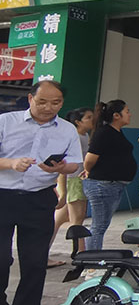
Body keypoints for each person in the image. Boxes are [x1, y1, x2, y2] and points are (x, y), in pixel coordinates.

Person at [0, 80, 82, 305]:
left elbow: (76, 165)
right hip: (3, 196)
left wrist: (60, 168)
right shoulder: (6, 122)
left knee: (34, 264)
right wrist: (11, 163)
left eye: (56, 103)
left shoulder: (67, 129)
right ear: (30, 99)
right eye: (42, 102)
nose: (49, 107)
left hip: (38, 200)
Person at [82, 100, 137, 251]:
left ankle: (93, 255)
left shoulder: (117, 132)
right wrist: (88, 170)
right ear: (116, 115)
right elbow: (90, 159)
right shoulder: (104, 133)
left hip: (113, 185)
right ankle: (92, 259)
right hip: (102, 185)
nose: (130, 114)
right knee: (98, 226)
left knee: (102, 224)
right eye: (127, 111)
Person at [48, 107, 94, 265]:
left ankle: (43, 253)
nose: (92, 120)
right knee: (77, 220)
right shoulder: (75, 137)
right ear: (78, 122)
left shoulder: (84, 135)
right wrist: (63, 191)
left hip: (75, 180)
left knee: (58, 220)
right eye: (88, 117)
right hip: (73, 180)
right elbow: (63, 166)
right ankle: (81, 255)